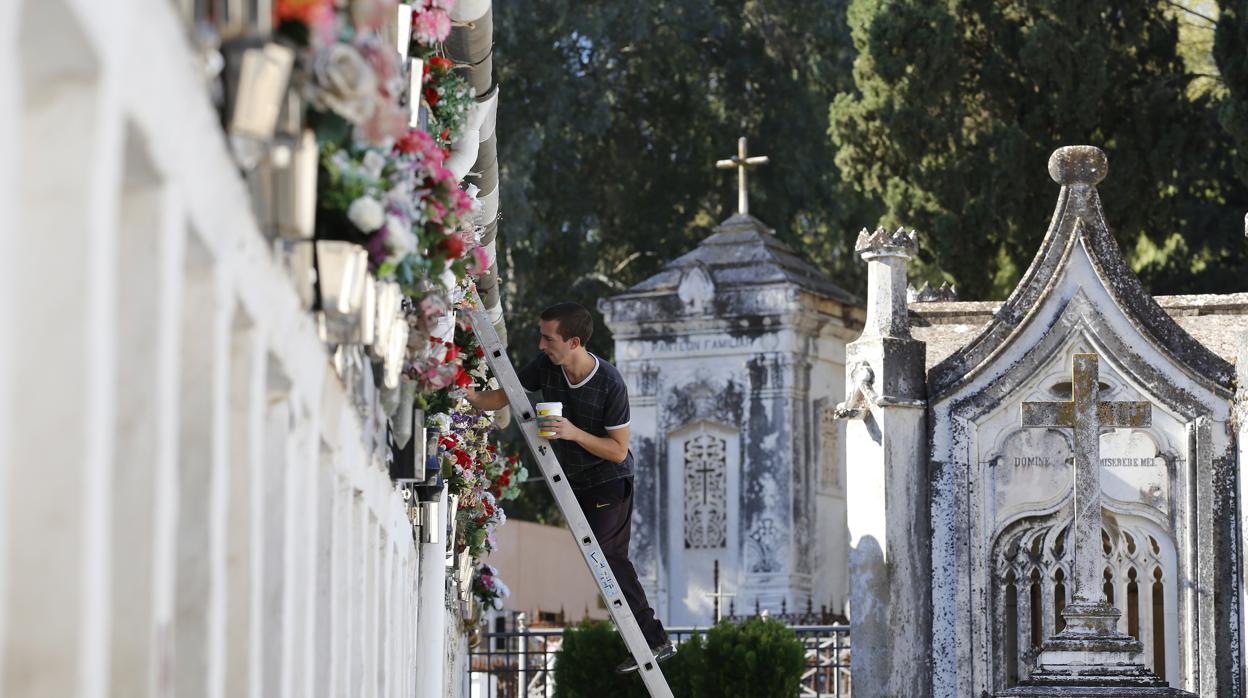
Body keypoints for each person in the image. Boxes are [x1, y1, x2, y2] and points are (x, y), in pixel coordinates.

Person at [465, 302, 674, 673]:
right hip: (575, 481)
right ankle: (647, 639)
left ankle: (653, 640)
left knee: (607, 556)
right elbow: (505, 395)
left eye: (549, 338)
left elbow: (618, 450)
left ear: (574, 340)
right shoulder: (547, 367)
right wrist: (464, 393)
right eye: (541, 336)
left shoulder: (610, 383)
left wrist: (572, 433)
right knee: (602, 561)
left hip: (610, 481)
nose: (542, 345)